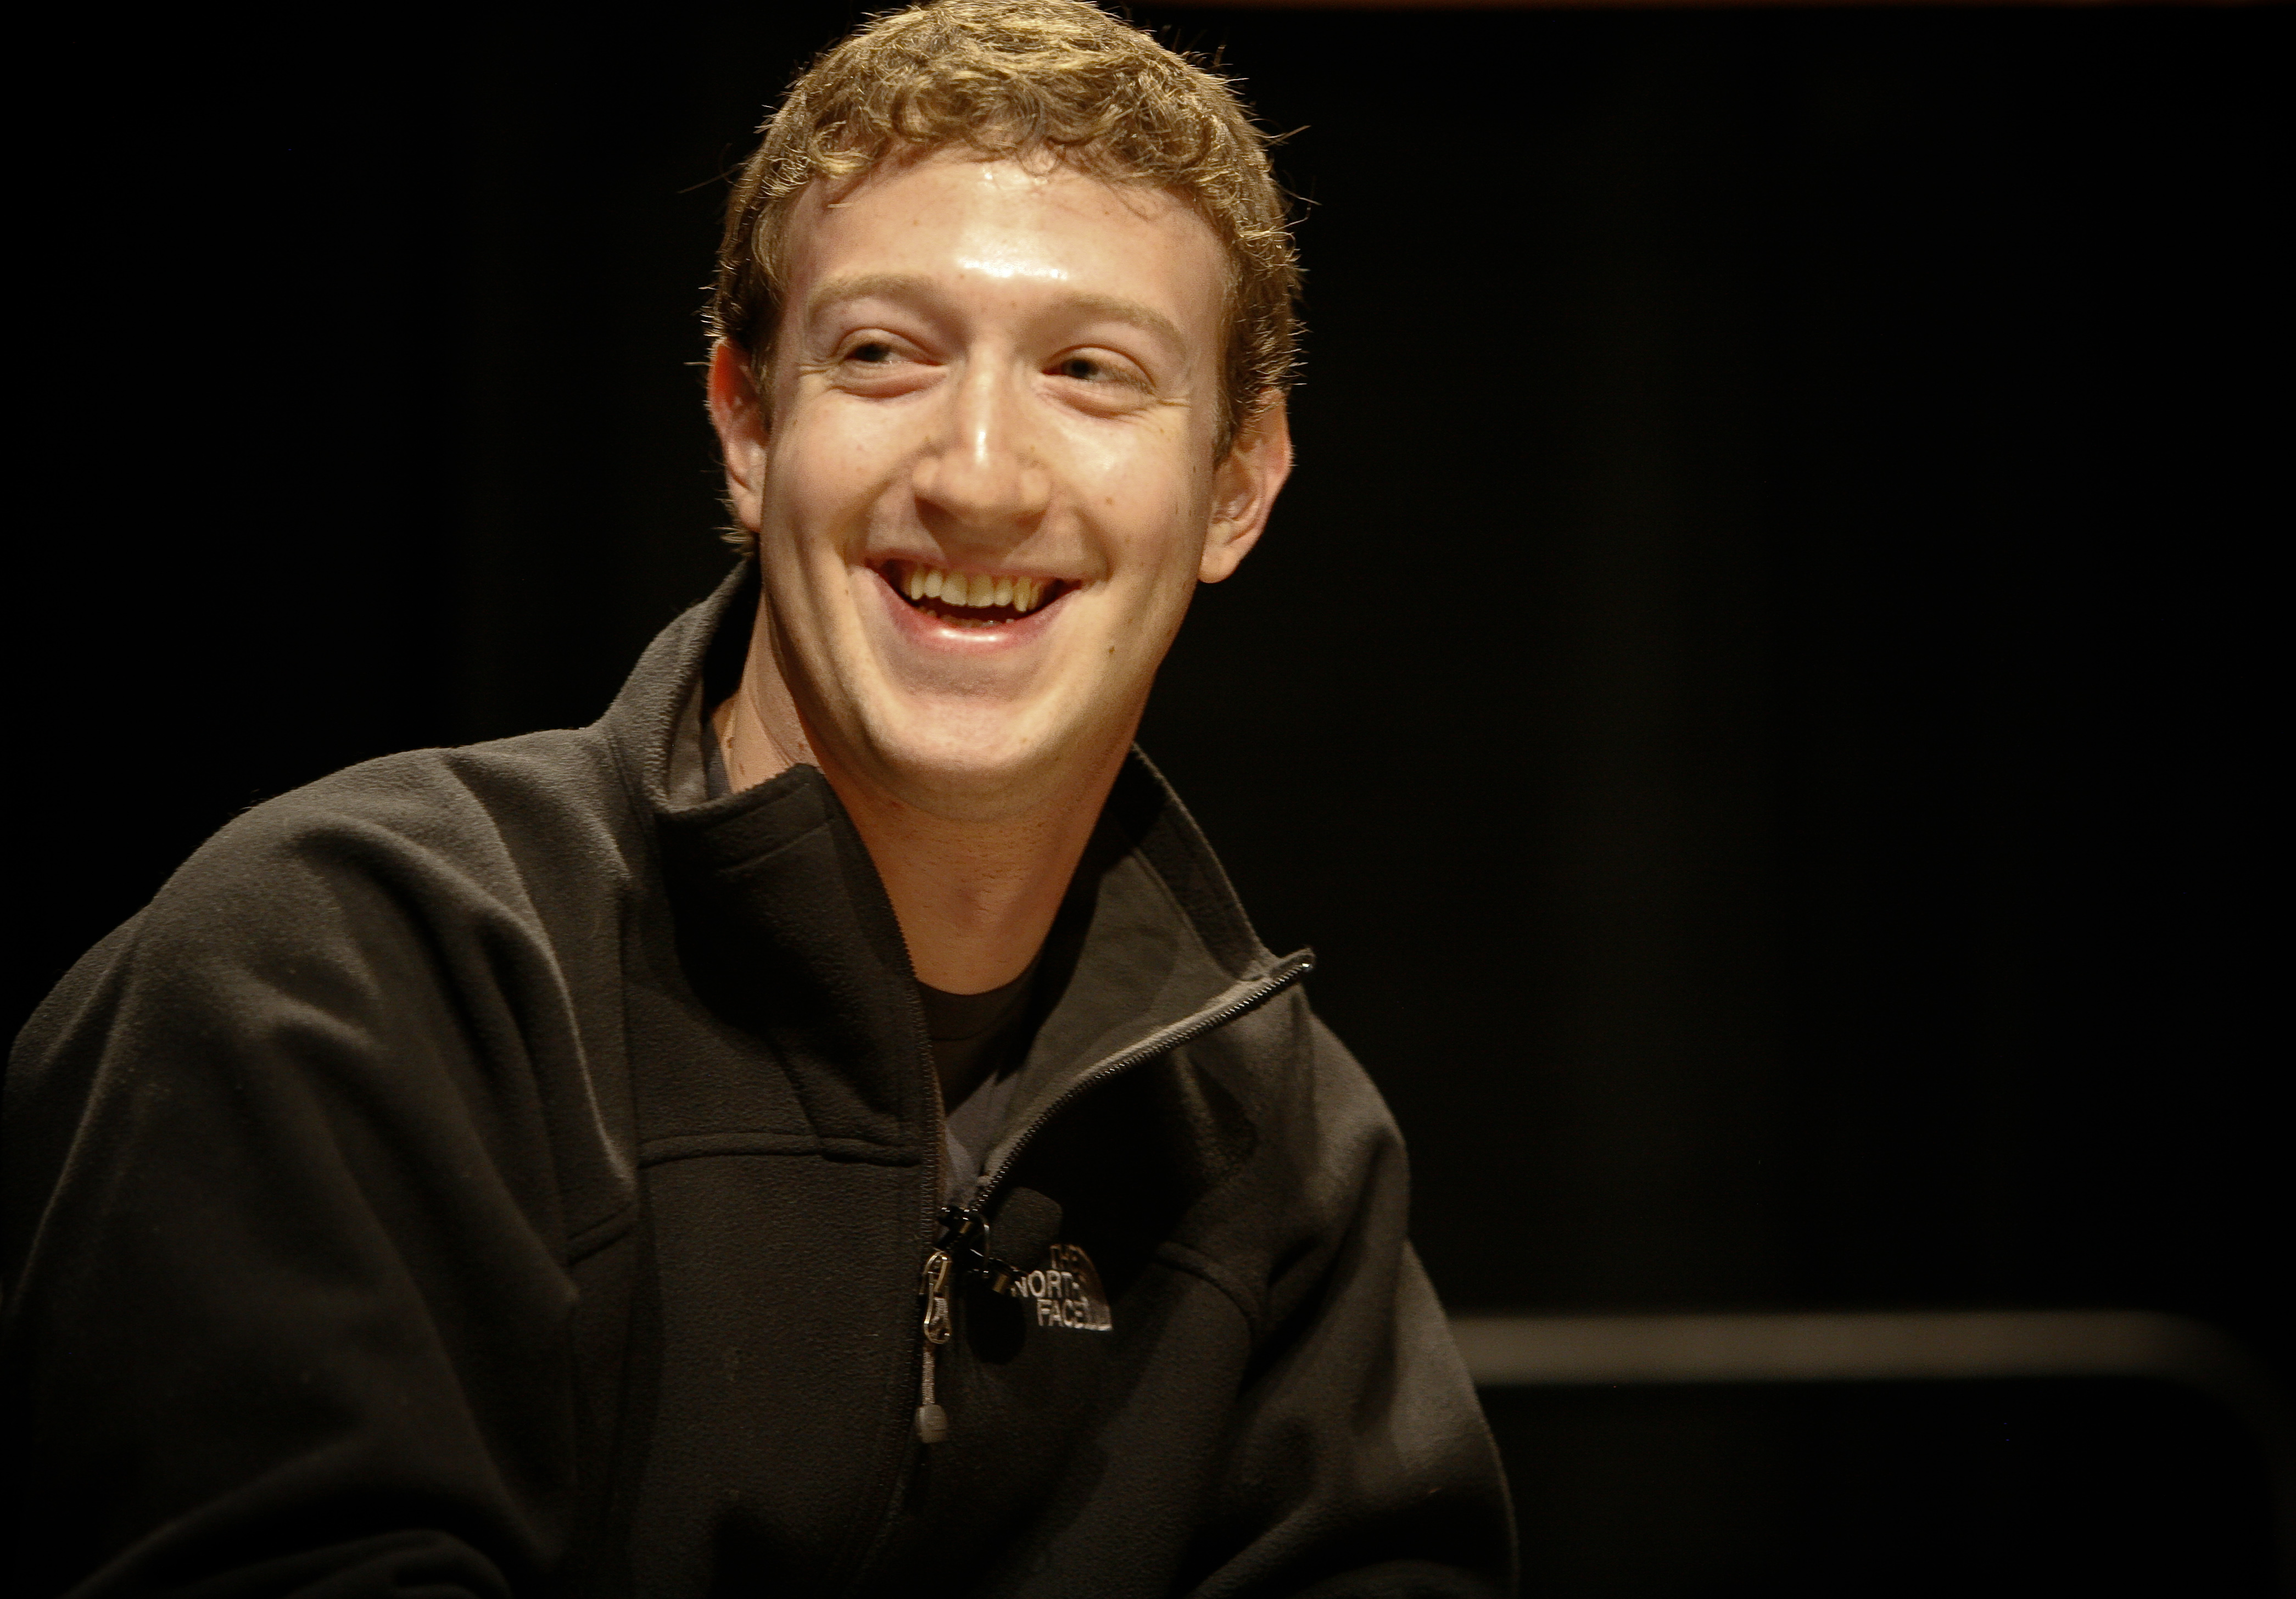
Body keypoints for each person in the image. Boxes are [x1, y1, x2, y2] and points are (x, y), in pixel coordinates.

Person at [2, 2, 1513, 1593]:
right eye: (881, 355)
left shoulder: (1283, 1146)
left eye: (1091, 371)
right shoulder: (346, 974)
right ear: (745, 423)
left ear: (1236, 486)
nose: (978, 473)